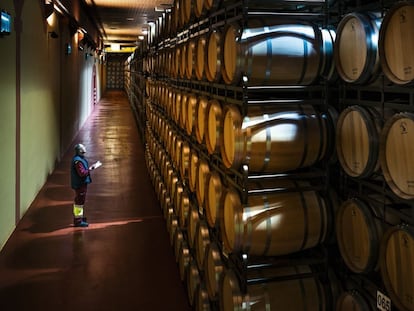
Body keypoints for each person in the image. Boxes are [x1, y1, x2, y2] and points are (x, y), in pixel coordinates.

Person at [70, 143, 101, 227]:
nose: (85, 148)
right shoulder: (78, 161)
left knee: (80, 201)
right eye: (83, 147)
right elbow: (82, 173)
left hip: (81, 184)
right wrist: (91, 168)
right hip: (80, 184)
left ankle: (79, 217)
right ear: (80, 150)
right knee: (79, 202)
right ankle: (78, 221)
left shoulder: (80, 158)